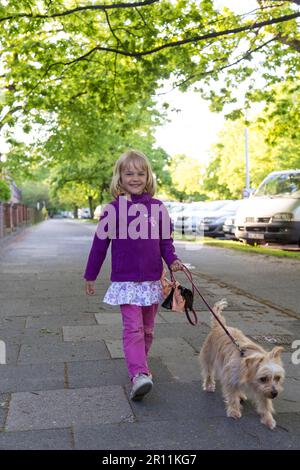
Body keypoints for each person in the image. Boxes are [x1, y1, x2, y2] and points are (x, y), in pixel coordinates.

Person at [84, 149, 183, 401]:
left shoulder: (158, 209)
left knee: (148, 330)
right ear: (120, 177)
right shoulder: (113, 210)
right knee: (133, 329)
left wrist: (173, 262)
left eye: (141, 173)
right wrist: (90, 275)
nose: (135, 178)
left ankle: (142, 367)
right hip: (126, 282)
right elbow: (99, 245)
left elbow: (165, 243)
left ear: (148, 176)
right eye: (129, 173)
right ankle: (138, 373)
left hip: (152, 281)